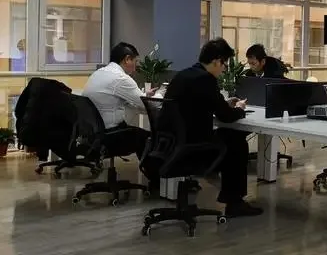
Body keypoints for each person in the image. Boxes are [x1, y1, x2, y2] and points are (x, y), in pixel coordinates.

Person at [162, 38, 262, 217]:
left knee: (227, 135)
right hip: (192, 146)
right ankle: (234, 203)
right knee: (235, 140)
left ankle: (230, 196)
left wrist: (223, 103)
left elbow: (199, 103)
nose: (224, 69)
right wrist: (239, 109)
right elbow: (226, 116)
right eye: (224, 64)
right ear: (216, 61)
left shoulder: (183, 75)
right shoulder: (206, 79)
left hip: (171, 142)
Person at [82, 42, 157, 188]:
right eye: (135, 62)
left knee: (136, 132)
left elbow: (120, 98)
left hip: (92, 135)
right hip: (110, 136)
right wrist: (156, 99)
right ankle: (157, 179)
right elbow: (145, 105)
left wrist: (142, 97)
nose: (136, 67)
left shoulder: (99, 73)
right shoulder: (121, 78)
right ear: (127, 59)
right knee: (148, 138)